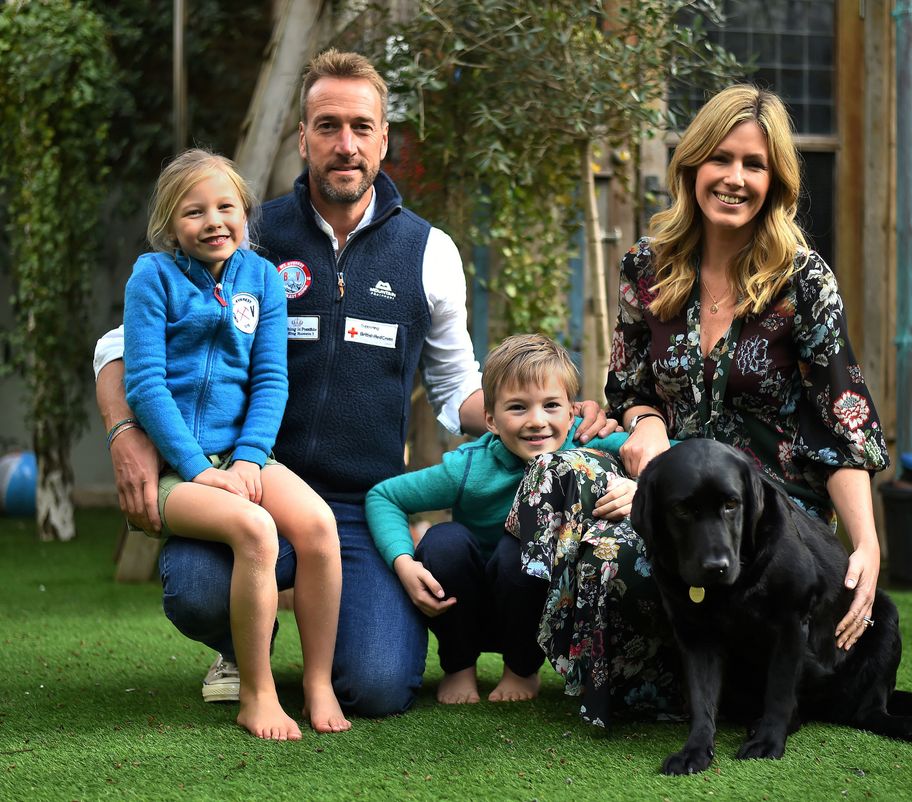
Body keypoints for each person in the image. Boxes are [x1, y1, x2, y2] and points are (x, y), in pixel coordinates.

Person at [93, 50, 611, 717]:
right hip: (256, 481)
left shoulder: (429, 252)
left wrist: (546, 415)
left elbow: (457, 391)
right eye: (328, 125)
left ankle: (322, 656)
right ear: (302, 136)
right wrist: (122, 429)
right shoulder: (249, 233)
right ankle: (241, 644)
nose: (346, 145)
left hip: (360, 504)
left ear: (384, 138)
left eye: (361, 127)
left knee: (376, 687)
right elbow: (122, 344)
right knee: (194, 587)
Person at [509, 84, 890, 727]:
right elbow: (629, 390)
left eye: (755, 164)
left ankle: (658, 684)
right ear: (692, 166)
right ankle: (565, 658)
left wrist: (867, 543)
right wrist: (650, 432)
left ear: (775, 181)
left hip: (765, 513)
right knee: (556, 475)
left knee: (612, 557)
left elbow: (843, 421)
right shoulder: (646, 268)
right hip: (672, 491)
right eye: (722, 159)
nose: (735, 178)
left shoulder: (803, 280)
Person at [118, 149, 346, 740]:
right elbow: (143, 384)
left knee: (319, 526)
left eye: (227, 207)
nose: (214, 221)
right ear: (170, 224)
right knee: (256, 530)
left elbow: (271, 379)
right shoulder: (152, 276)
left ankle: (317, 683)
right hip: (177, 468)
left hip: (244, 454)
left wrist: (248, 456)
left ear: (246, 212)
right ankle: (257, 689)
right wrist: (197, 468)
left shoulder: (262, 278)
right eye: (194, 212)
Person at [366, 335, 639, 706]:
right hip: (468, 606)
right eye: (518, 408)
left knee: (521, 551)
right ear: (491, 420)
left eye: (551, 405)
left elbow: (671, 455)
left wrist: (640, 485)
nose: (537, 421)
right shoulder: (469, 467)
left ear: (572, 412)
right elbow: (384, 496)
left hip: (535, 607)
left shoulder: (587, 443)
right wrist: (402, 561)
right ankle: (459, 666)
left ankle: (521, 669)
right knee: (443, 542)